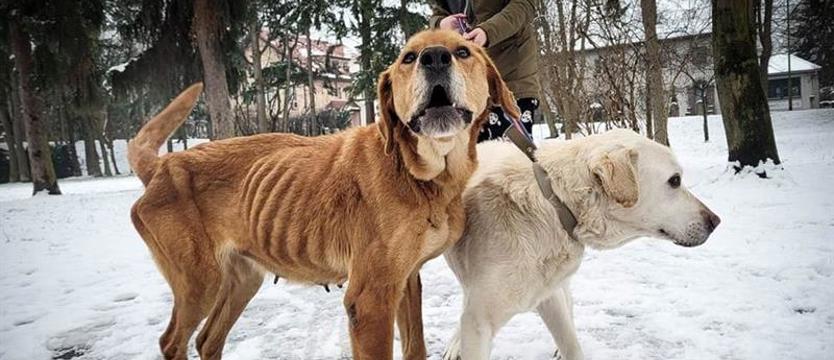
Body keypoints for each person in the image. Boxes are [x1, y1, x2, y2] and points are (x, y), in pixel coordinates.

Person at [429, 0, 542, 142]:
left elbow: (524, 5)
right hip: (466, 86)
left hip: (510, 76)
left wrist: (487, 32)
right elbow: (439, 11)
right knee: (472, 159)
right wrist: (440, 24)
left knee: (512, 157)